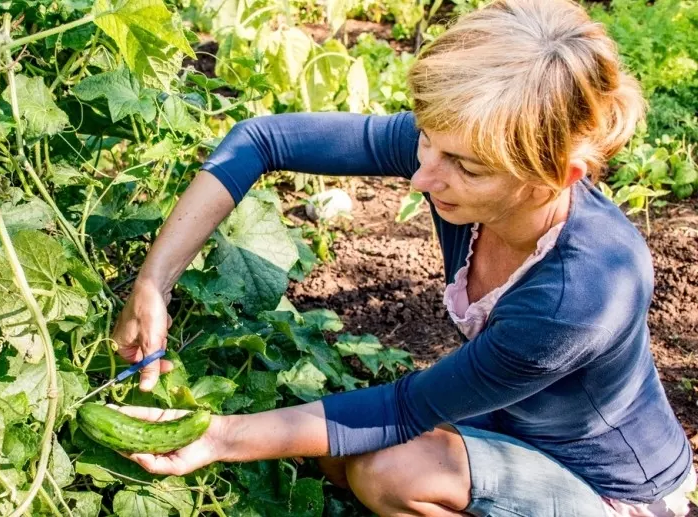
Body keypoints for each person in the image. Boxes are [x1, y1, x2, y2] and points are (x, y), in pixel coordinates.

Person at [107, 0, 696, 515]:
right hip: (510, 422)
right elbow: (262, 139)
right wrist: (153, 283)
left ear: (555, 176)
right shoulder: (466, 147)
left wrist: (220, 437)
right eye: (426, 141)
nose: (421, 177)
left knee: (388, 472)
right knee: (340, 460)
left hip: (607, 486)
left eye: (463, 166)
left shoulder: (581, 294)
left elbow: (404, 407)